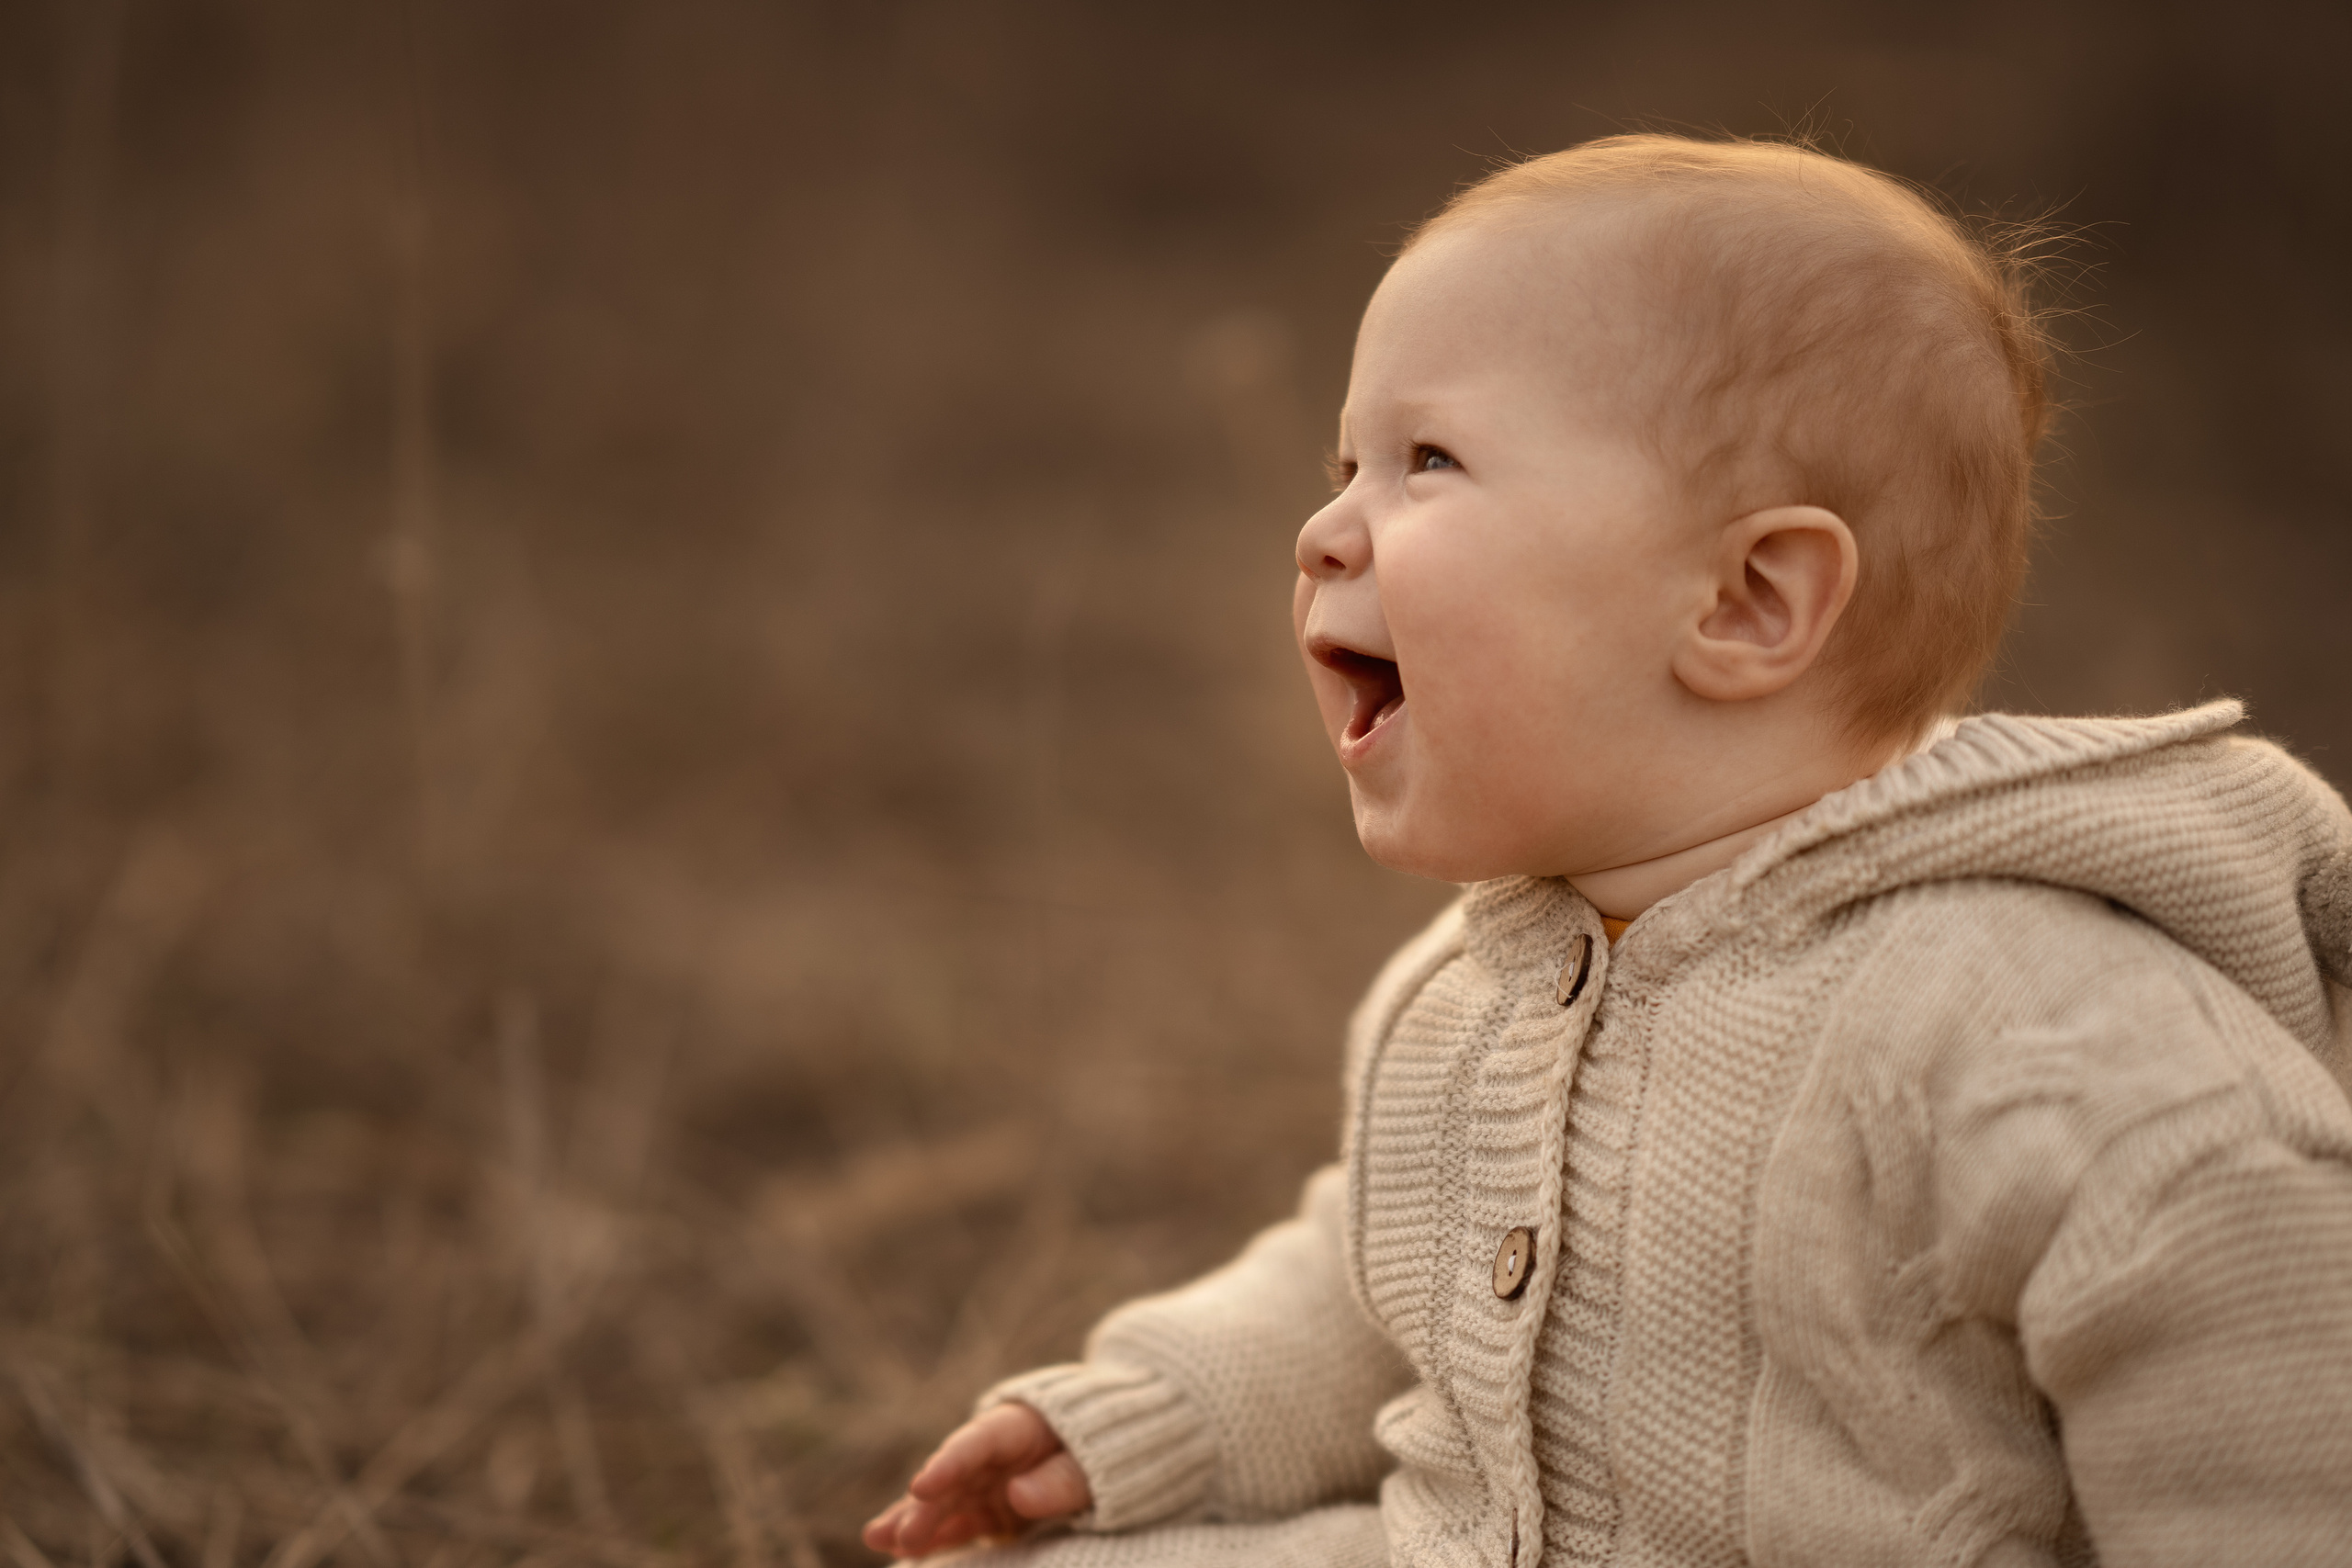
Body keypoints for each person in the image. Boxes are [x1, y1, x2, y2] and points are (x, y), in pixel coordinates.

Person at [863, 133, 2352, 1567]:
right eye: (1344, 464)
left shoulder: (2056, 1043)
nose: (1325, 530)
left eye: (1427, 460)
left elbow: (2268, 1434)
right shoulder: (1489, 976)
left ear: (1749, 600)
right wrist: (1172, 1409)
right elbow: (1371, 1281)